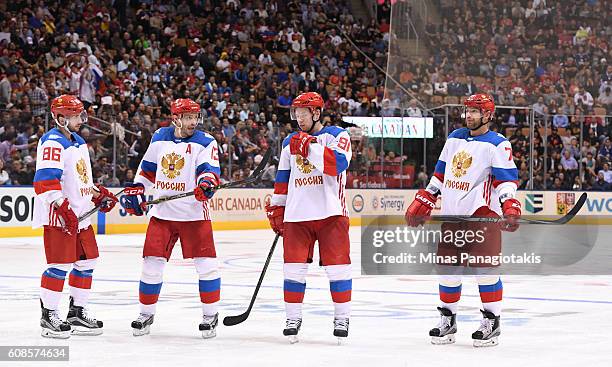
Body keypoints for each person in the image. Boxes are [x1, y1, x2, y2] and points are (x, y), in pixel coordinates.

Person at [404, 94, 521, 347]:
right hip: (453, 217)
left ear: (488, 115)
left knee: (485, 271)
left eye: (475, 112)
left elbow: (506, 180)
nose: (469, 115)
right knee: (447, 271)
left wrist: (509, 204)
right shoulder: (455, 137)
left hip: (482, 217)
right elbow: (441, 172)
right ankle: (448, 320)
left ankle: (492, 322)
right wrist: (428, 195)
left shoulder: (497, 144)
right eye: (467, 110)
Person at [121, 98, 221, 339]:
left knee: (206, 266)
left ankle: (210, 316)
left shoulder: (205, 141)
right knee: (151, 265)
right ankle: (146, 314)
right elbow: (147, 170)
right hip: (162, 214)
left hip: (193, 213)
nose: (193, 122)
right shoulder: (160, 136)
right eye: (188, 117)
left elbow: (209, 170)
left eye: (195, 117)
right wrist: (139, 188)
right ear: (175, 118)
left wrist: (205, 183)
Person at [265, 92, 353, 343]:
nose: (298, 118)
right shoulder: (289, 142)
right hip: (297, 216)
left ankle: (342, 317)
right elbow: (283, 179)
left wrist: (310, 146)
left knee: (338, 270)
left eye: (303, 113)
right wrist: (279, 207)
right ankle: (293, 317)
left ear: (316, 113)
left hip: (331, 214)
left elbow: (337, 165)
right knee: (292, 270)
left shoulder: (337, 135)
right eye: (296, 113)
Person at [33, 95, 118, 338]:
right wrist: (62, 208)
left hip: (80, 215)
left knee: (87, 262)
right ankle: (48, 315)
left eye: (81, 114)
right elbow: (45, 182)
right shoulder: (52, 142)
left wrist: (97, 195)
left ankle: (77, 312)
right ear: (60, 118)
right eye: (75, 115)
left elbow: (82, 180)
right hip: (59, 216)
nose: (81, 119)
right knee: (59, 265)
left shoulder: (78, 142)